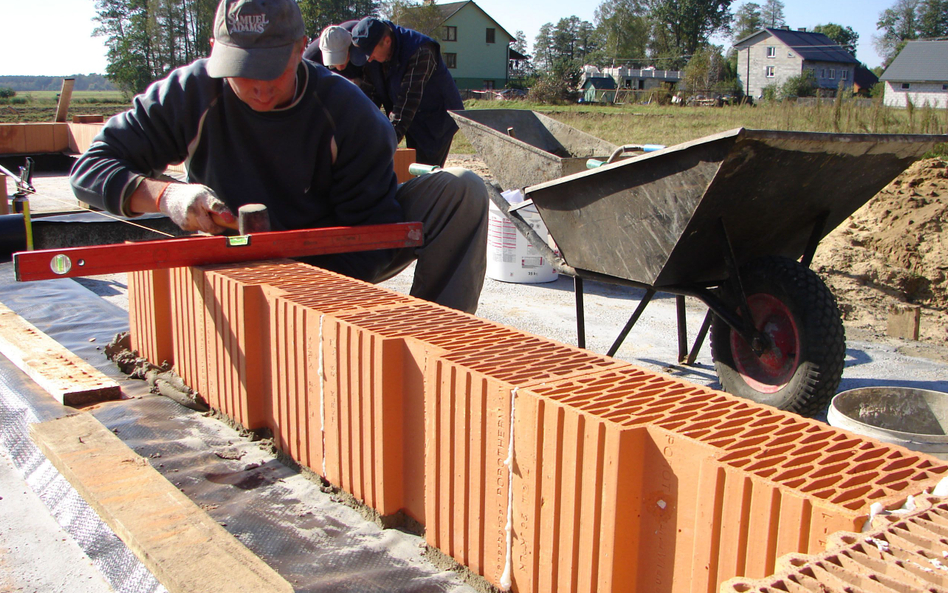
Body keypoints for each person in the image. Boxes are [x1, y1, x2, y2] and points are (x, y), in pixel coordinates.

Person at [70, 0, 487, 314]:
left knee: (462, 191)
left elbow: (369, 241)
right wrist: (167, 198)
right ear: (215, 50)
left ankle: (437, 341)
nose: (261, 87)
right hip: (233, 252)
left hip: (331, 252)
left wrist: (303, 305)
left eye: (274, 68)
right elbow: (91, 169)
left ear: (300, 48)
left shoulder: (349, 114)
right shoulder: (190, 94)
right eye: (243, 69)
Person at [350, 17, 464, 168]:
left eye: (370, 53)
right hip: (412, 117)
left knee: (424, 172)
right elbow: (368, 97)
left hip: (435, 121)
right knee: (409, 167)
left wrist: (383, 145)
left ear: (387, 41)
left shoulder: (421, 51)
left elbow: (406, 105)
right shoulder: (375, 56)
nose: (369, 59)